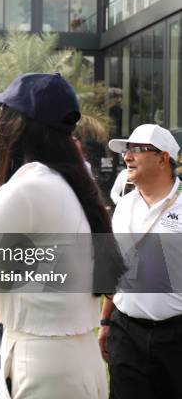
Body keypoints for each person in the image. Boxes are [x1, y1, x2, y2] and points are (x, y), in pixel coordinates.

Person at [0, 73, 113, 398]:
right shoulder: (71, 182)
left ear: (17, 125)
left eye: (4, 113)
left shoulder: (31, 186)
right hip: (76, 359)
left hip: (44, 365)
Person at [100, 124, 182, 398]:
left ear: (163, 158)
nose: (127, 156)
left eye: (137, 150)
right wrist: (105, 321)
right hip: (126, 333)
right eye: (126, 150)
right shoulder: (124, 204)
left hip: (175, 337)